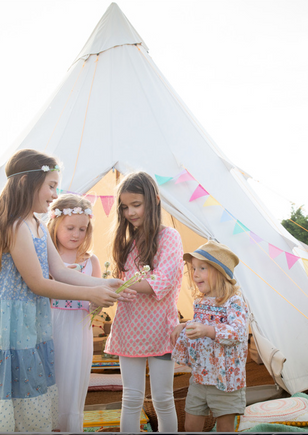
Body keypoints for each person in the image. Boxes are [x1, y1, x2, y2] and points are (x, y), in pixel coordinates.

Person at [0, 149, 132, 433]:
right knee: (8, 388)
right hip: (6, 324)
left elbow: (59, 272)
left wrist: (104, 284)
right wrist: (89, 295)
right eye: (52, 186)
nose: (55, 194)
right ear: (27, 184)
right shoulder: (16, 226)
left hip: (26, 319)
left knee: (26, 388)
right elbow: (39, 283)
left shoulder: (37, 225)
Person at [104, 171, 184, 433]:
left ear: (155, 200)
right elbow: (125, 286)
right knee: (131, 399)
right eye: (125, 207)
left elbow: (160, 282)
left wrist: (119, 285)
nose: (130, 212)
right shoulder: (126, 243)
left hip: (161, 329)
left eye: (136, 205)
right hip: (129, 329)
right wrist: (113, 289)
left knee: (162, 399)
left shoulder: (169, 237)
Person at [171, 240, 248, 433]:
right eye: (194, 268)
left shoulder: (234, 301)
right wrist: (185, 326)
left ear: (219, 271)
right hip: (201, 376)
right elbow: (202, 326)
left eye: (202, 268)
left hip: (226, 380)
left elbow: (238, 332)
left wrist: (209, 331)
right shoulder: (201, 302)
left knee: (225, 427)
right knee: (190, 425)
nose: (195, 274)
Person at [46, 194, 101, 432]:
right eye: (70, 228)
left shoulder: (91, 261)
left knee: (73, 381)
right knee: (51, 379)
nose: (76, 234)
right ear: (55, 224)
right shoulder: (46, 257)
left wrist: (102, 302)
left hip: (78, 330)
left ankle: (69, 427)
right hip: (50, 326)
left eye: (82, 228)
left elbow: (97, 302)